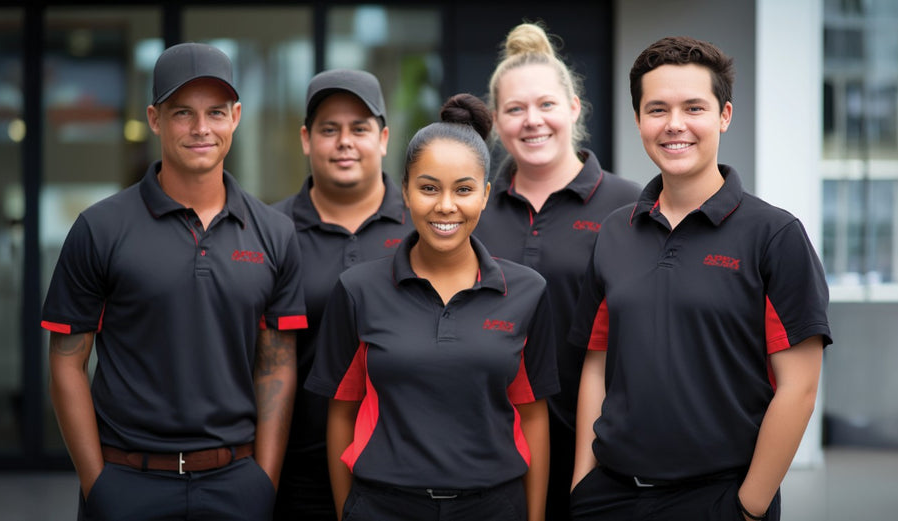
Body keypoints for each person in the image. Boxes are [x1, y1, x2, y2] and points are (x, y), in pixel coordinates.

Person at [567, 36, 832, 521]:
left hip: (719, 500)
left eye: (694, 108)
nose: (674, 125)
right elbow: (596, 364)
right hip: (610, 498)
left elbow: (800, 388)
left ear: (724, 115)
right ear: (638, 120)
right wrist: (583, 485)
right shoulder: (613, 233)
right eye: (657, 109)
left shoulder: (774, 236)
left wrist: (747, 507)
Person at [41, 42, 306, 521]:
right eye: (183, 112)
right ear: (155, 118)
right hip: (127, 483)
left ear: (236, 116)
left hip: (236, 485)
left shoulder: (276, 233)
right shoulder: (99, 229)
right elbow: (65, 363)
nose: (201, 128)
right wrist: (97, 485)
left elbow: (277, 365)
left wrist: (262, 482)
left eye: (215, 112)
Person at [305, 94, 557, 521]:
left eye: (463, 189)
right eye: (428, 188)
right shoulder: (357, 290)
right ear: (405, 191)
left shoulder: (527, 291)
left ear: (485, 195)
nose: (445, 206)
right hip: (383, 506)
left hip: (494, 507)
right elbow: (342, 412)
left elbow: (532, 416)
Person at [472, 23, 641, 520]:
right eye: (515, 109)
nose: (532, 121)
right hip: (490, 448)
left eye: (546, 104)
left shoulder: (628, 205)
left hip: (600, 450)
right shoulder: (473, 209)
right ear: (497, 122)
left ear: (573, 108)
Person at [271, 69, 412, 521]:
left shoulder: (424, 225)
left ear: (385, 138)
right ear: (306, 139)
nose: (344, 142)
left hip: (405, 467)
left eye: (359, 129)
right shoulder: (270, 232)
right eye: (329, 130)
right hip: (296, 472)